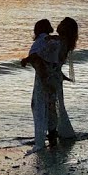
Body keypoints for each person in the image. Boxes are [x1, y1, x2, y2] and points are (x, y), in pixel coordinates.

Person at [20, 19, 57, 151]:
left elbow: (35, 55)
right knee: (52, 107)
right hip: (54, 79)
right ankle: (53, 138)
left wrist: (25, 60)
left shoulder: (40, 41)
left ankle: (41, 138)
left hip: (43, 80)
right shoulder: (53, 41)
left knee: (38, 106)